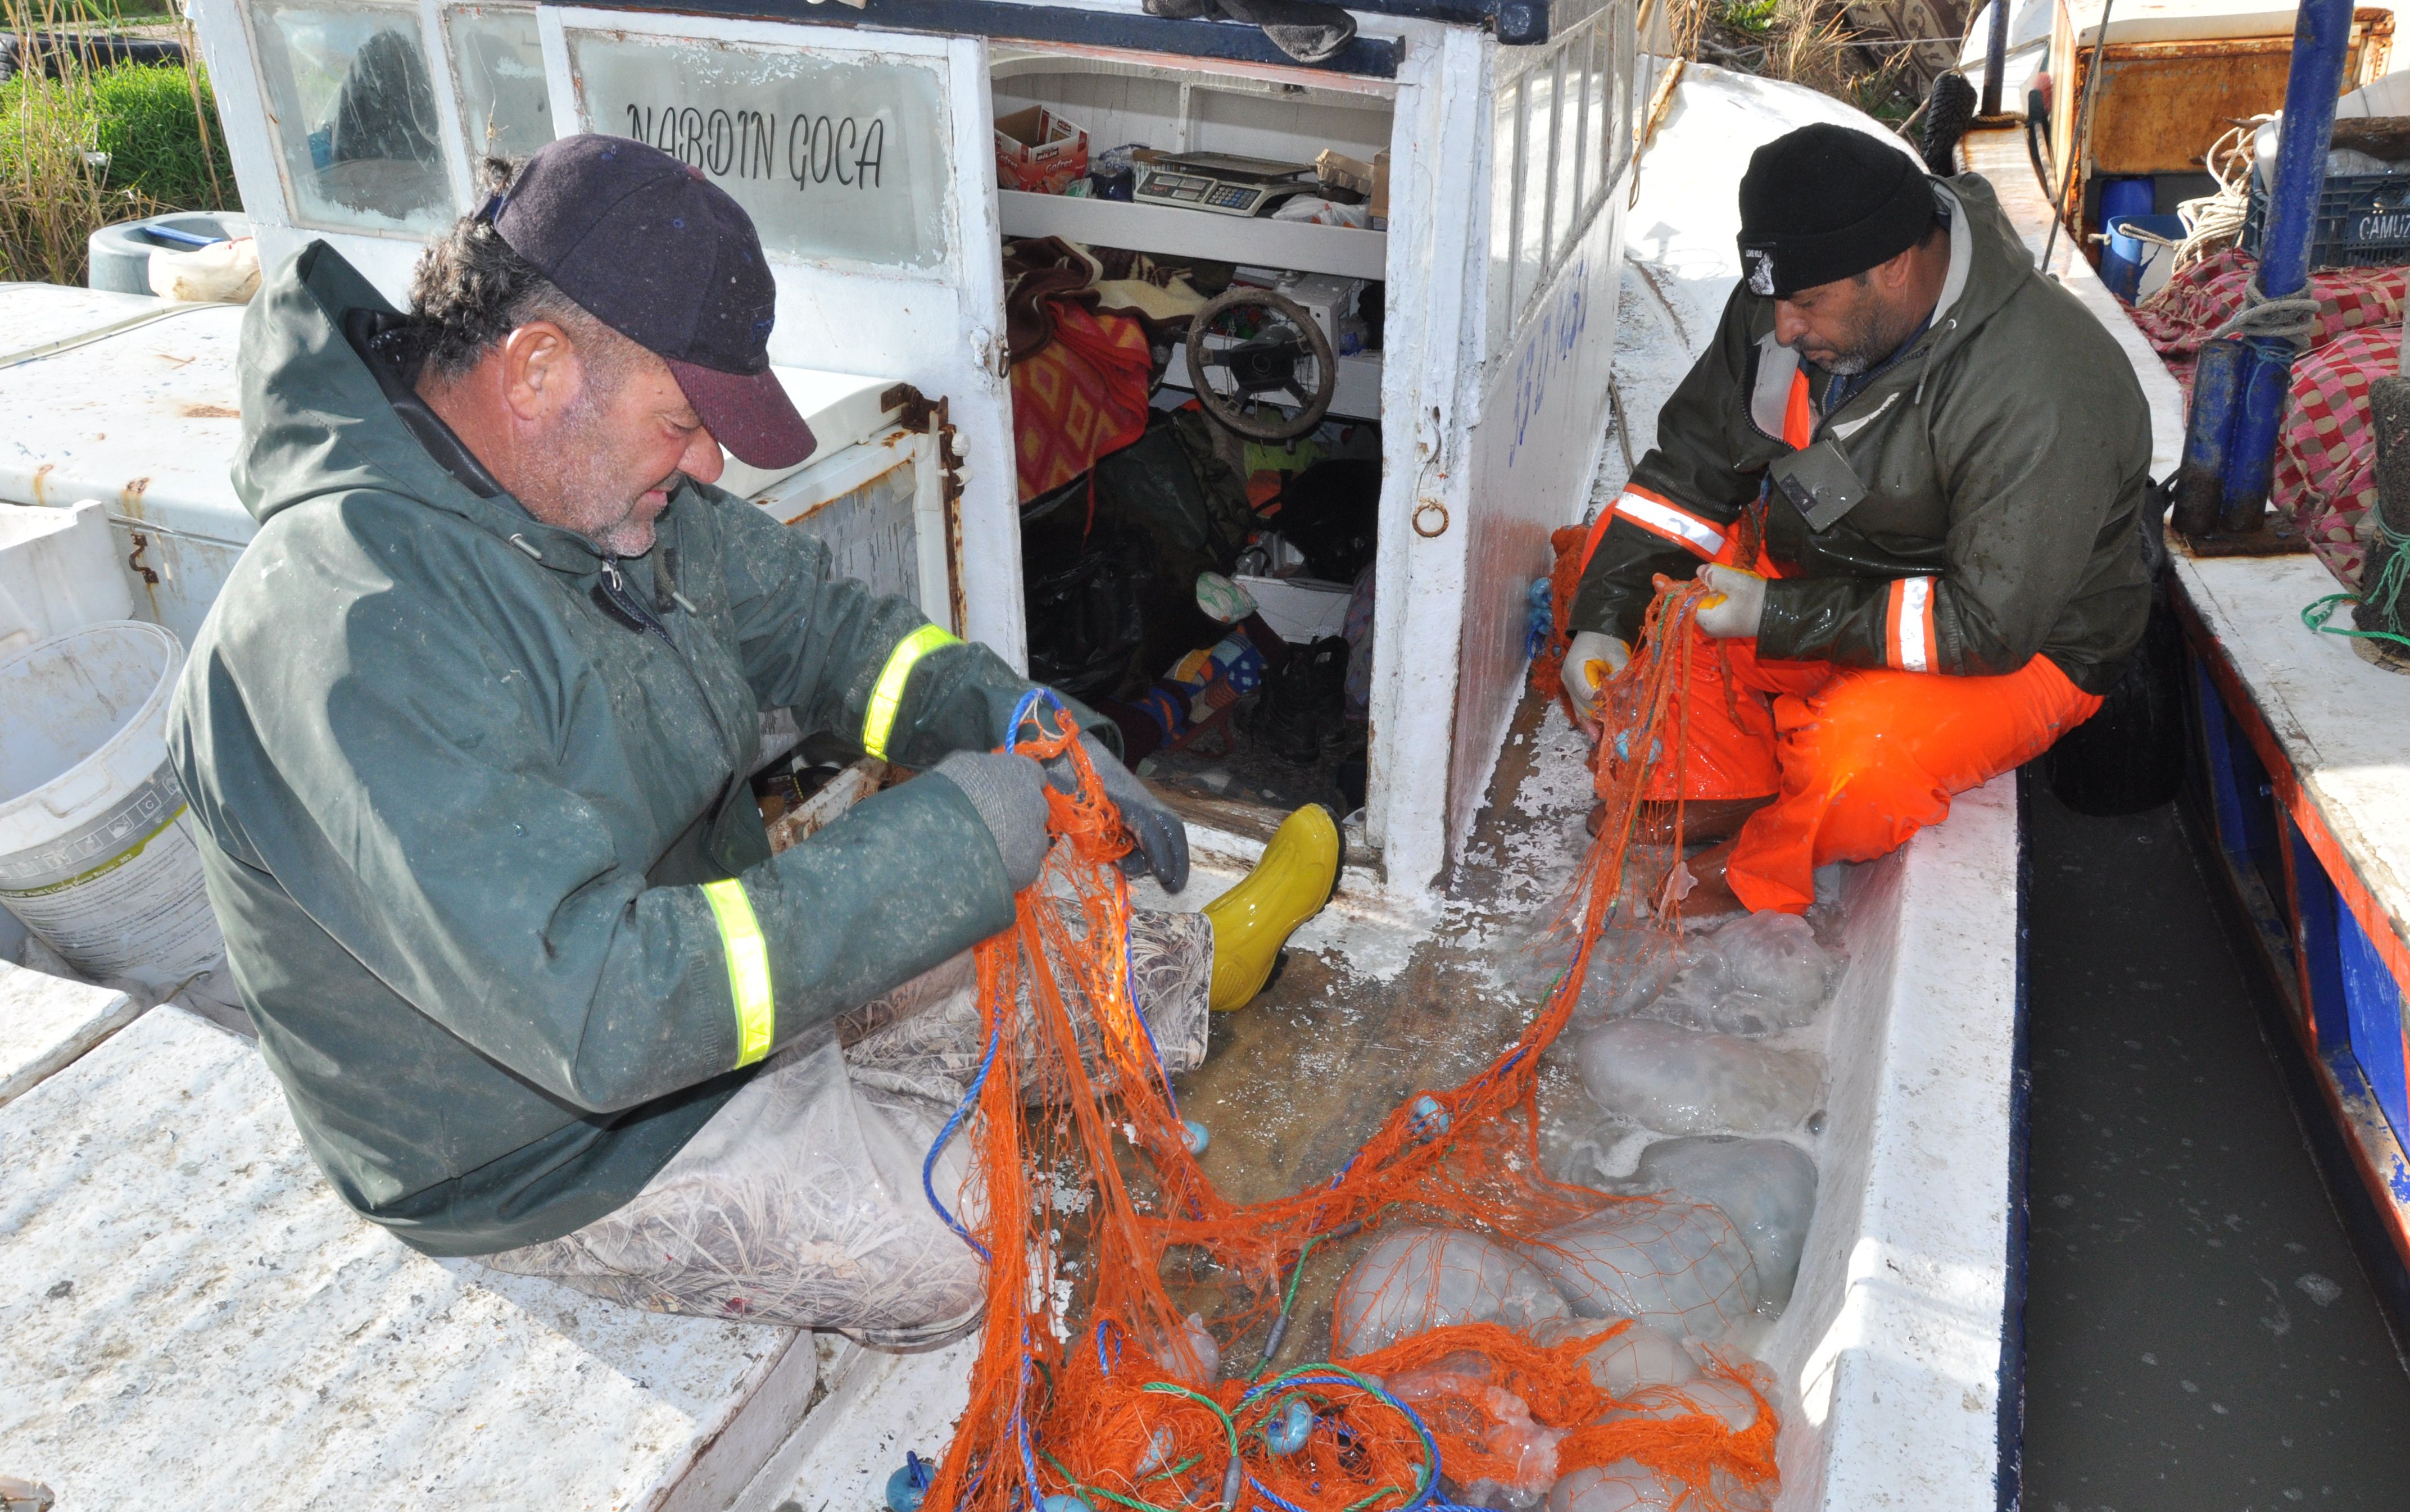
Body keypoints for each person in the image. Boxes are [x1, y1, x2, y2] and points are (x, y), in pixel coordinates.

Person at [167, 135, 1334, 1338]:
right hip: (552, 1138)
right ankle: (888, 1109)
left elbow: (832, 636)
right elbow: (605, 1012)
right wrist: (945, 850)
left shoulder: (592, 487)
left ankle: (1069, 1018)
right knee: (970, 1250)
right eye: (683, 420)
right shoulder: (348, 630)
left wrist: (1012, 718)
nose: (709, 461)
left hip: (714, 984)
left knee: (1109, 961)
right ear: (537, 369)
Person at [1559, 122, 2150, 916]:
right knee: (1636, 576)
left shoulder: (2042, 383)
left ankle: (1756, 868)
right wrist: (1605, 617)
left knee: (1861, 760)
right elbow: (1689, 476)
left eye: (1807, 305)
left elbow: (1989, 624)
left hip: (2016, 641)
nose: (1785, 330)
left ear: (1896, 266)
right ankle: (1720, 784)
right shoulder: (1790, 298)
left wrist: (1776, 615)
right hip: (1834, 577)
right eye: (1775, 303)